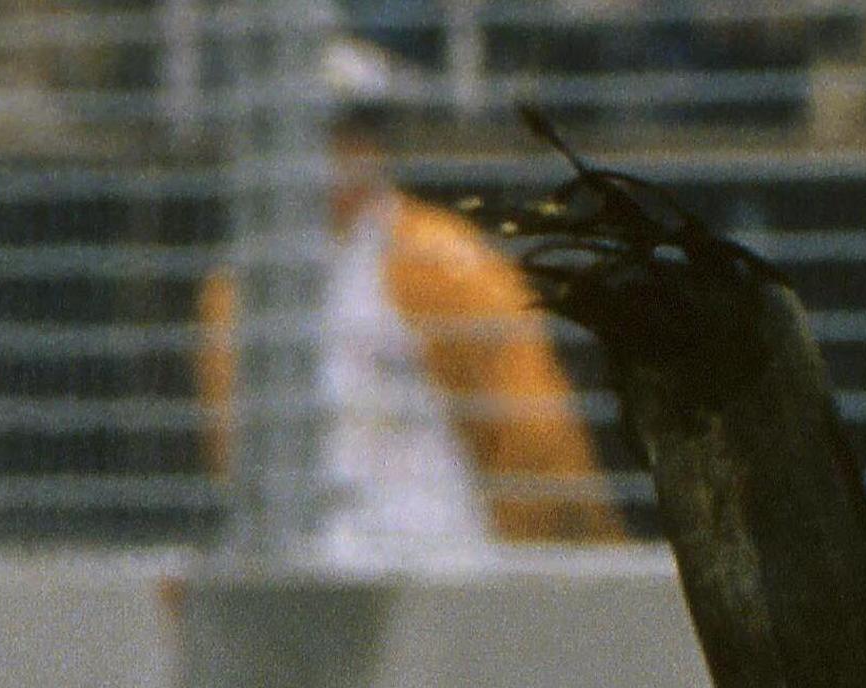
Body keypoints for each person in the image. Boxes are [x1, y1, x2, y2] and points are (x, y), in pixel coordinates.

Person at [196, 38, 624, 563]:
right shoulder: (240, 290)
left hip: (449, 572)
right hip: (303, 576)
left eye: (357, 132)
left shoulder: (447, 266)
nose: (342, 152)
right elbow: (236, 459)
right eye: (324, 133)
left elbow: (538, 442)